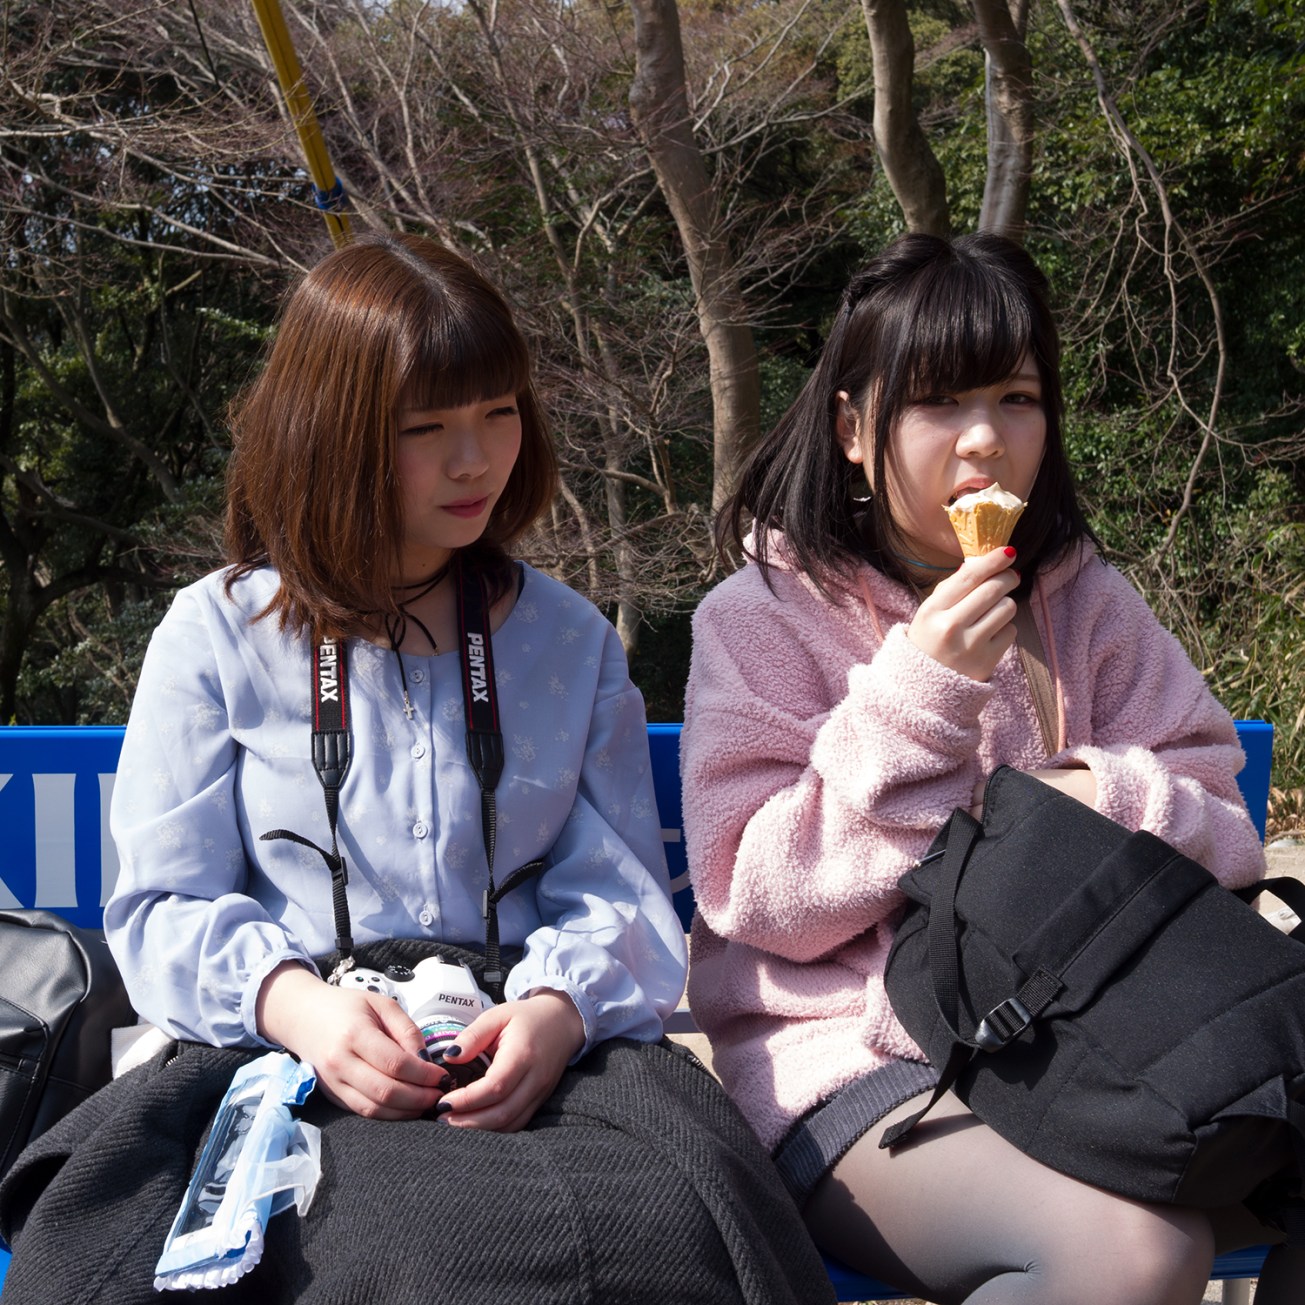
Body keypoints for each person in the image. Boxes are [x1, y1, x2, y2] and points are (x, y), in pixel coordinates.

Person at [0, 233, 833, 1305]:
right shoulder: (217, 632)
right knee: (395, 1251)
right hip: (282, 1055)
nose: (475, 459)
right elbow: (163, 904)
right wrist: (301, 1009)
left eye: (499, 412)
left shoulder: (566, 640)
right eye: (424, 428)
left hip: (536, 1056)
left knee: (674, 1228)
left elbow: (617, 890)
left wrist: (557, 1011)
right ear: (327, 434)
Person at [680, 232, 1303, 1305]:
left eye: (1017, 398)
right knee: (1139, 1253)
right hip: (858, 1058)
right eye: (939, 402)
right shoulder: (762, 617)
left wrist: (1087, 797)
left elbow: (1221, 820)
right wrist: (921, 694)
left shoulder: (1083, 599)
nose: (985, 440)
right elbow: (756, 893)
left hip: (1105, 1035)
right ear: (854, 430)